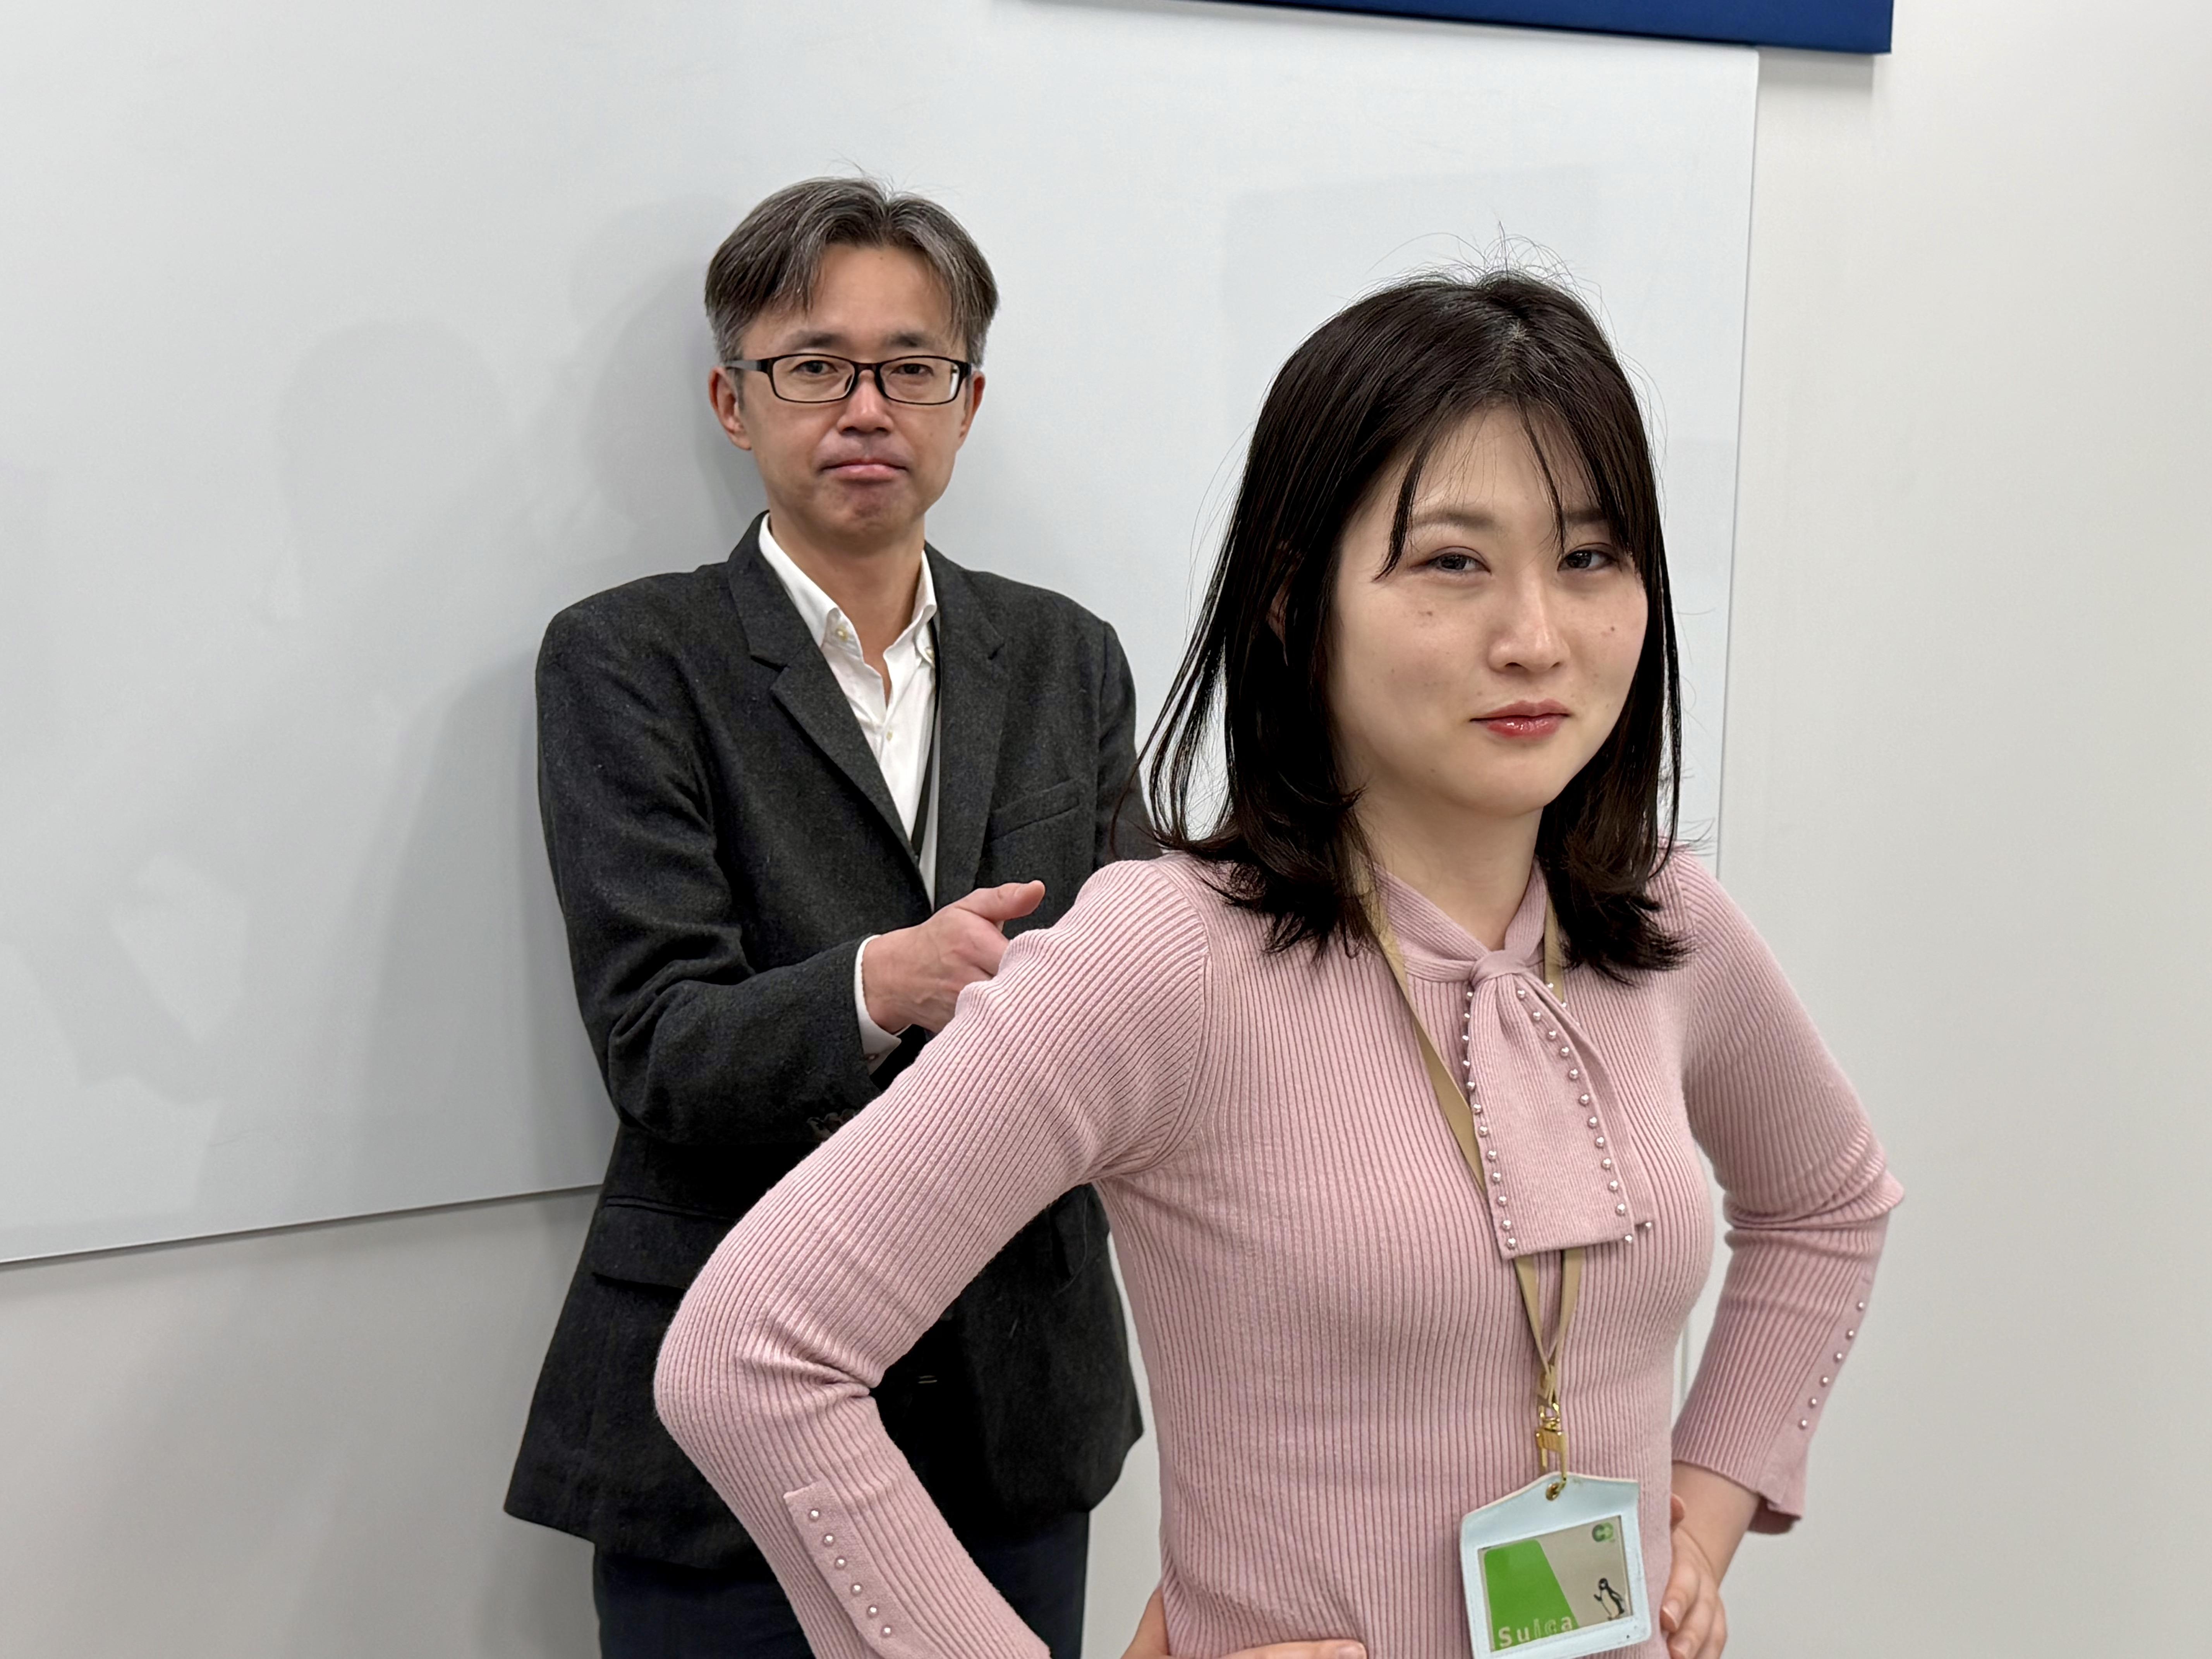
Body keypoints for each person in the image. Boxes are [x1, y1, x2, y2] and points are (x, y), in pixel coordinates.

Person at [654, 270, 1903, 1659]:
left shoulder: (1660, 917)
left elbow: (1830, 1203)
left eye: (1592, 558)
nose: (1537, 637)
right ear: (1297, 603)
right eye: (1453, 562)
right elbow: (753, 1355)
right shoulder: (1166, 956)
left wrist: (1703, 1516)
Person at [503, 177, 1149, 1659]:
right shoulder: (627, 659)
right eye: (814, 366)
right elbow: (658, 1042)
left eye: (910, 367)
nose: (866, 406)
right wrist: (883, 983)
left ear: (967, 401)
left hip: (1018, 1411)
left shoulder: (1069, 654)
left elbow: (1135, 986)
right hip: (729, 1427)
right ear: (733, 403)